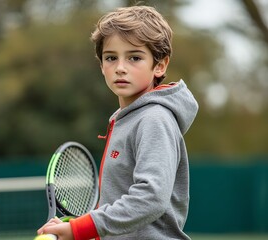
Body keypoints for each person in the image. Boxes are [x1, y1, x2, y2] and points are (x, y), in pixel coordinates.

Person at [37, 5, 198, 240]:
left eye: (134, 57)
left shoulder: (154, 119)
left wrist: (80, 228)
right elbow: (121, 208)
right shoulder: (126, 119)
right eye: (111, 58)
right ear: (102, 66)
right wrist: (80, 227)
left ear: (160, 65)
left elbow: (151, 198)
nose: (120, 68)